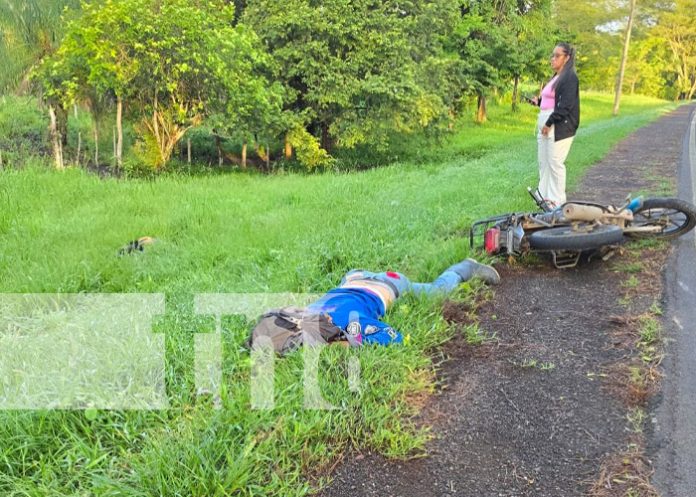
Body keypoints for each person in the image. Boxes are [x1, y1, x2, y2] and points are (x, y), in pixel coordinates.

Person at [250, 259, 500, 353]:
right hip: (354, 278)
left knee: (437, 291)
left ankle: (464, 268)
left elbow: (396, 338)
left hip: (390, 284)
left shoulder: (352, 323)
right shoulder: (308, 311)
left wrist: (345, 343)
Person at [528, 42, 580, 208]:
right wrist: (539, 102)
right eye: (553, 55)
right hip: (546, 121)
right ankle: (544, 199)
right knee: (544, 163)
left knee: (555, 163)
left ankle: (558, 202)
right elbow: (551, 100)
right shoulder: (556, 78)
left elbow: (565, 106)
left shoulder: (570, 78)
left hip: (559, 125)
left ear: (567, 58)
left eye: (557, 56)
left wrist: (549, 123)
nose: (553, 59)